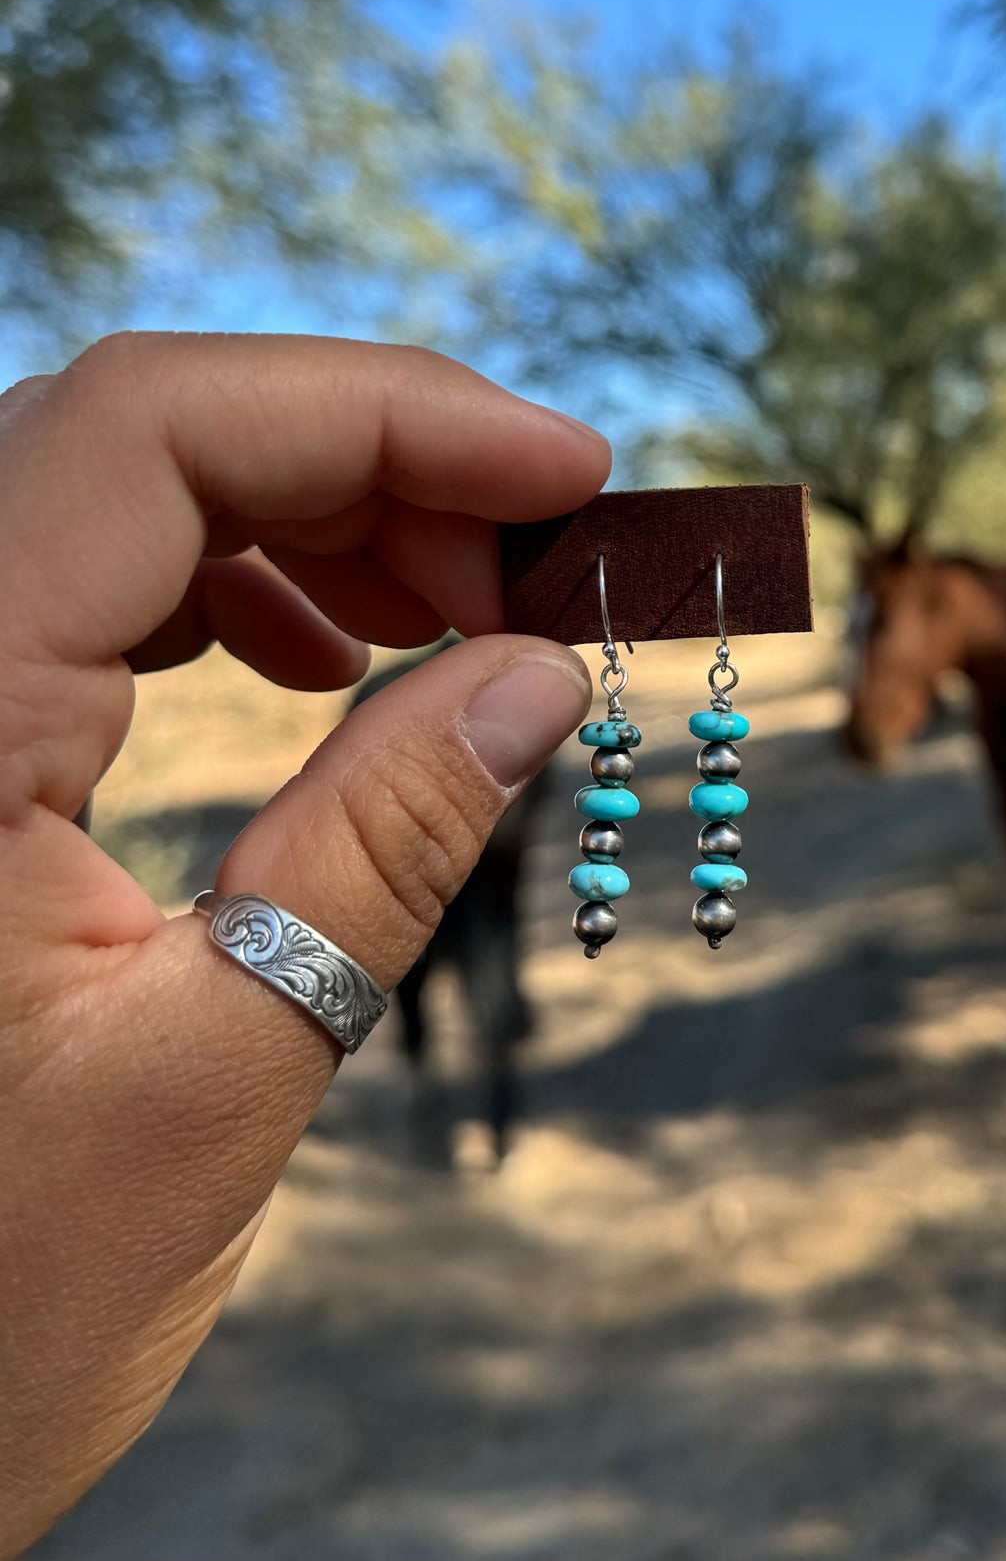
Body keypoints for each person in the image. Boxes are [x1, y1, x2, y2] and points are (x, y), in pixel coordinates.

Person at [0, 332, 609, 1557]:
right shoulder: (411, 687)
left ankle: (477, 1106)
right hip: (441, 905)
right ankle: (464, 1103)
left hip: (476, 897)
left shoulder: (433, 685)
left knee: (482, 991)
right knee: (455, 996)